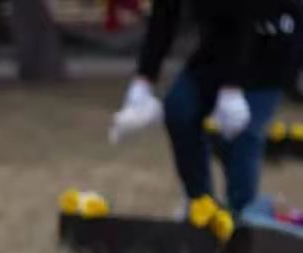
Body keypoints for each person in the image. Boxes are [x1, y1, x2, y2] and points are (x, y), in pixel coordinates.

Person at [111, 1, 301, 213]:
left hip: (269, 50)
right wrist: (144, 80)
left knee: (243, 134)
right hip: (216, 49)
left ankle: (242, 215)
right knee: (179, 109)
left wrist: (232, 87)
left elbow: (244, 18)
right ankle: (200, 203)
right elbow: (164, 16)